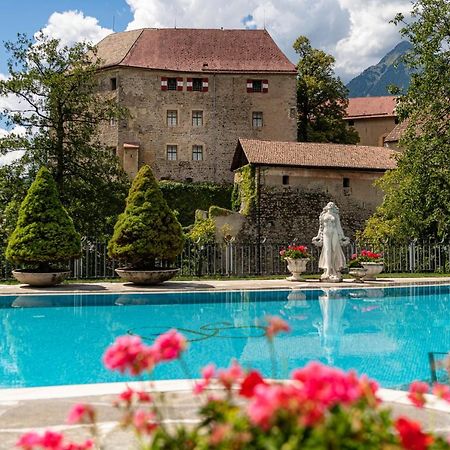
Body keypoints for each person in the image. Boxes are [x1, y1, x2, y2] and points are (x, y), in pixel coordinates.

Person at [312, 202, 350, 282]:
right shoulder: (323, 215)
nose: (331, 205)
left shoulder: (336, 215)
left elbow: (338, 226)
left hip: (334, 232)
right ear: (327, 206)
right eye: (330, 204)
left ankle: (335, 269)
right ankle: (328, 270)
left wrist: (342, 236)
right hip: (326, 233)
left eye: (332, 204)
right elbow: (321, 228)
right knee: (327, 250)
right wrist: (318, 236)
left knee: (334, 249)